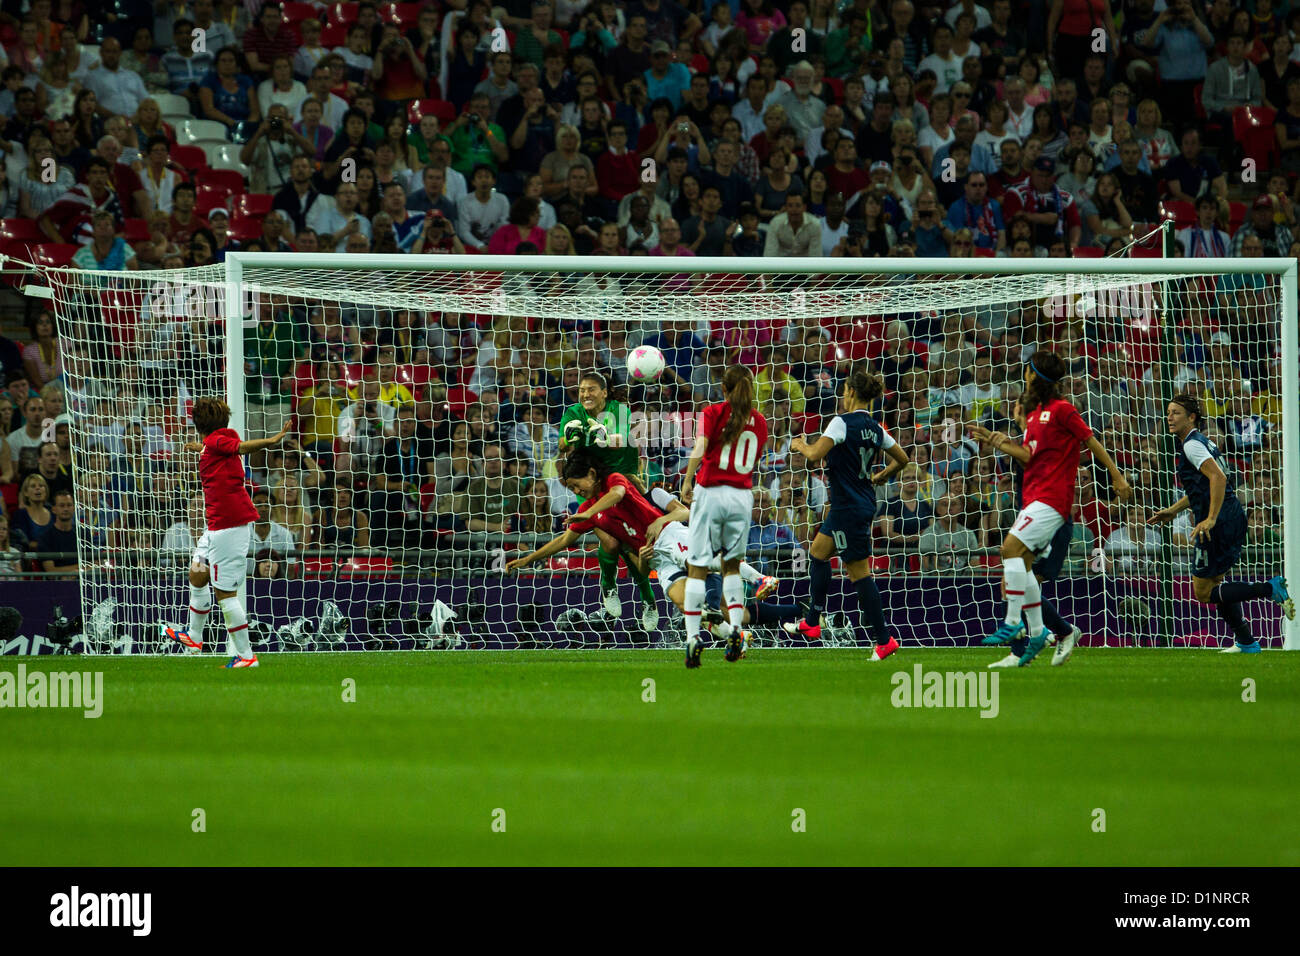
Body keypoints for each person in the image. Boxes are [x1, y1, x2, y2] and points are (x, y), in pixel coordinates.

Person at [968, 350, 1133, 666]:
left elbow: (1091, 441)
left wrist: (1116, 476)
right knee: (1019, 571)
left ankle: (1018, 627)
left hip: (1054, 501)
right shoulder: (1035, 414)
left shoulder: (1062, 409)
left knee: (1010, 555)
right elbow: (1029, 456)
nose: (1024, 375)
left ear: (1034, 375)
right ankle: (1038, 636)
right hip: (1034, 497)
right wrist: (998, 440)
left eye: (1027, 370)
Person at [1147, 394, 1294, 653]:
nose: (1170, 417)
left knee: (1203, 592)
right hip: (1230, 515)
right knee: (1217, 583)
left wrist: (1210, 518)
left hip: (1219, 521)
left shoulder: (1191, 446)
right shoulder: (1203, 442)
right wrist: (1173, 510)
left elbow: (1218, 478)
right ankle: (1246, 641)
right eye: (1168, 412)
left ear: (1192, 417)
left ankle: (1268, 588)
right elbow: (1203, 487)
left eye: (1176, 413)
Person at [784, 369, 910, 660]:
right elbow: (902, 459)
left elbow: (815, 455)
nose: (842, 395)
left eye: (844, 390)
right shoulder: (876, 427)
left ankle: (884, 640)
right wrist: (881, 476)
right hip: (855, 503)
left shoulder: (841, 422)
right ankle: (813, 623)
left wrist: (800, 444)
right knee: (817, 553)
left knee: (859, 573)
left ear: (851, 392)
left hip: (849, 507)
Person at [162, 397, 291, 668]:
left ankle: (247, 657)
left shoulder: (219, 442)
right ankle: (194, 637)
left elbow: (240, 447)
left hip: (229, 527)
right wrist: (202, 447)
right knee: (197, 573)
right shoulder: (216, 442)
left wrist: (271, 441)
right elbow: (225, 448)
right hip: (216, 526)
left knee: (224, 595)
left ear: (198, 423)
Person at [983, 394, 1084, 667]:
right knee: (1015, 581)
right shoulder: (1029, 435)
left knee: (1017, 579)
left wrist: (1002, 443)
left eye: (1015, 405)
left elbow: (1031, 460)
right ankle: (1036, 641)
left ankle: (1046, 636)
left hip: (1051, 519)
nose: (1011, 408)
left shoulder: (1039, 436)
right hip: (1034, 512)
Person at [679, 365, 770, 667]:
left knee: (698, 566)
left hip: (712, 491)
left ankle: (693, 639)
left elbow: (702, 445)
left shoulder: (714, 412)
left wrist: (688, 478)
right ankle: (737, 631)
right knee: (732, 567)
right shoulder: (759, 422)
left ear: (724, 388)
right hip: (742, 497)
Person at [555, 371, 657, 621]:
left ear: (604, 392)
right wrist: (570, 436)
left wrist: (592, 434)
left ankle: (648, 600)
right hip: (590, 485)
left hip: (620, 480)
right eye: (581, 390)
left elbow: (621, 440)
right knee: (612, 542)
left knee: (633, 544)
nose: (585, 394)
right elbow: (561, 445)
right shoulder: (573, 412)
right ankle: (610, 587)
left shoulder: (617, 410)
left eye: (590, 389)